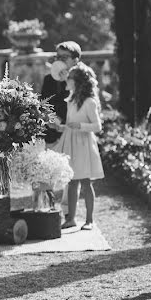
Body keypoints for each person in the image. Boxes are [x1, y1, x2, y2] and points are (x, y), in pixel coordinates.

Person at [54, 64, 104, 230]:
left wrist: (80, 126)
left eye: (69, 78)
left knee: (85, 181)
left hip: (84, 145)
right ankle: (71, 219)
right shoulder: (71, 100)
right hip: (71, 142)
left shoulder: (89, 102)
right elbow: (71, 123)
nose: (66, 80)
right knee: (72, 182)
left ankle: (89, 220)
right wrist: (62, 127)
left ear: (77, 82)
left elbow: (97, 126)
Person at [41, 41, 82, 145]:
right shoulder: (48, 79)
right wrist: (52, 120)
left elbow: (81, 104)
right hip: (51, 133)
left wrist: (67, 81)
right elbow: (43, 104)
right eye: (58, 57)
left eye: (64, 57)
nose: (59, 60)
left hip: (74, 135)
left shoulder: (81, 81)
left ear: (75, 60)